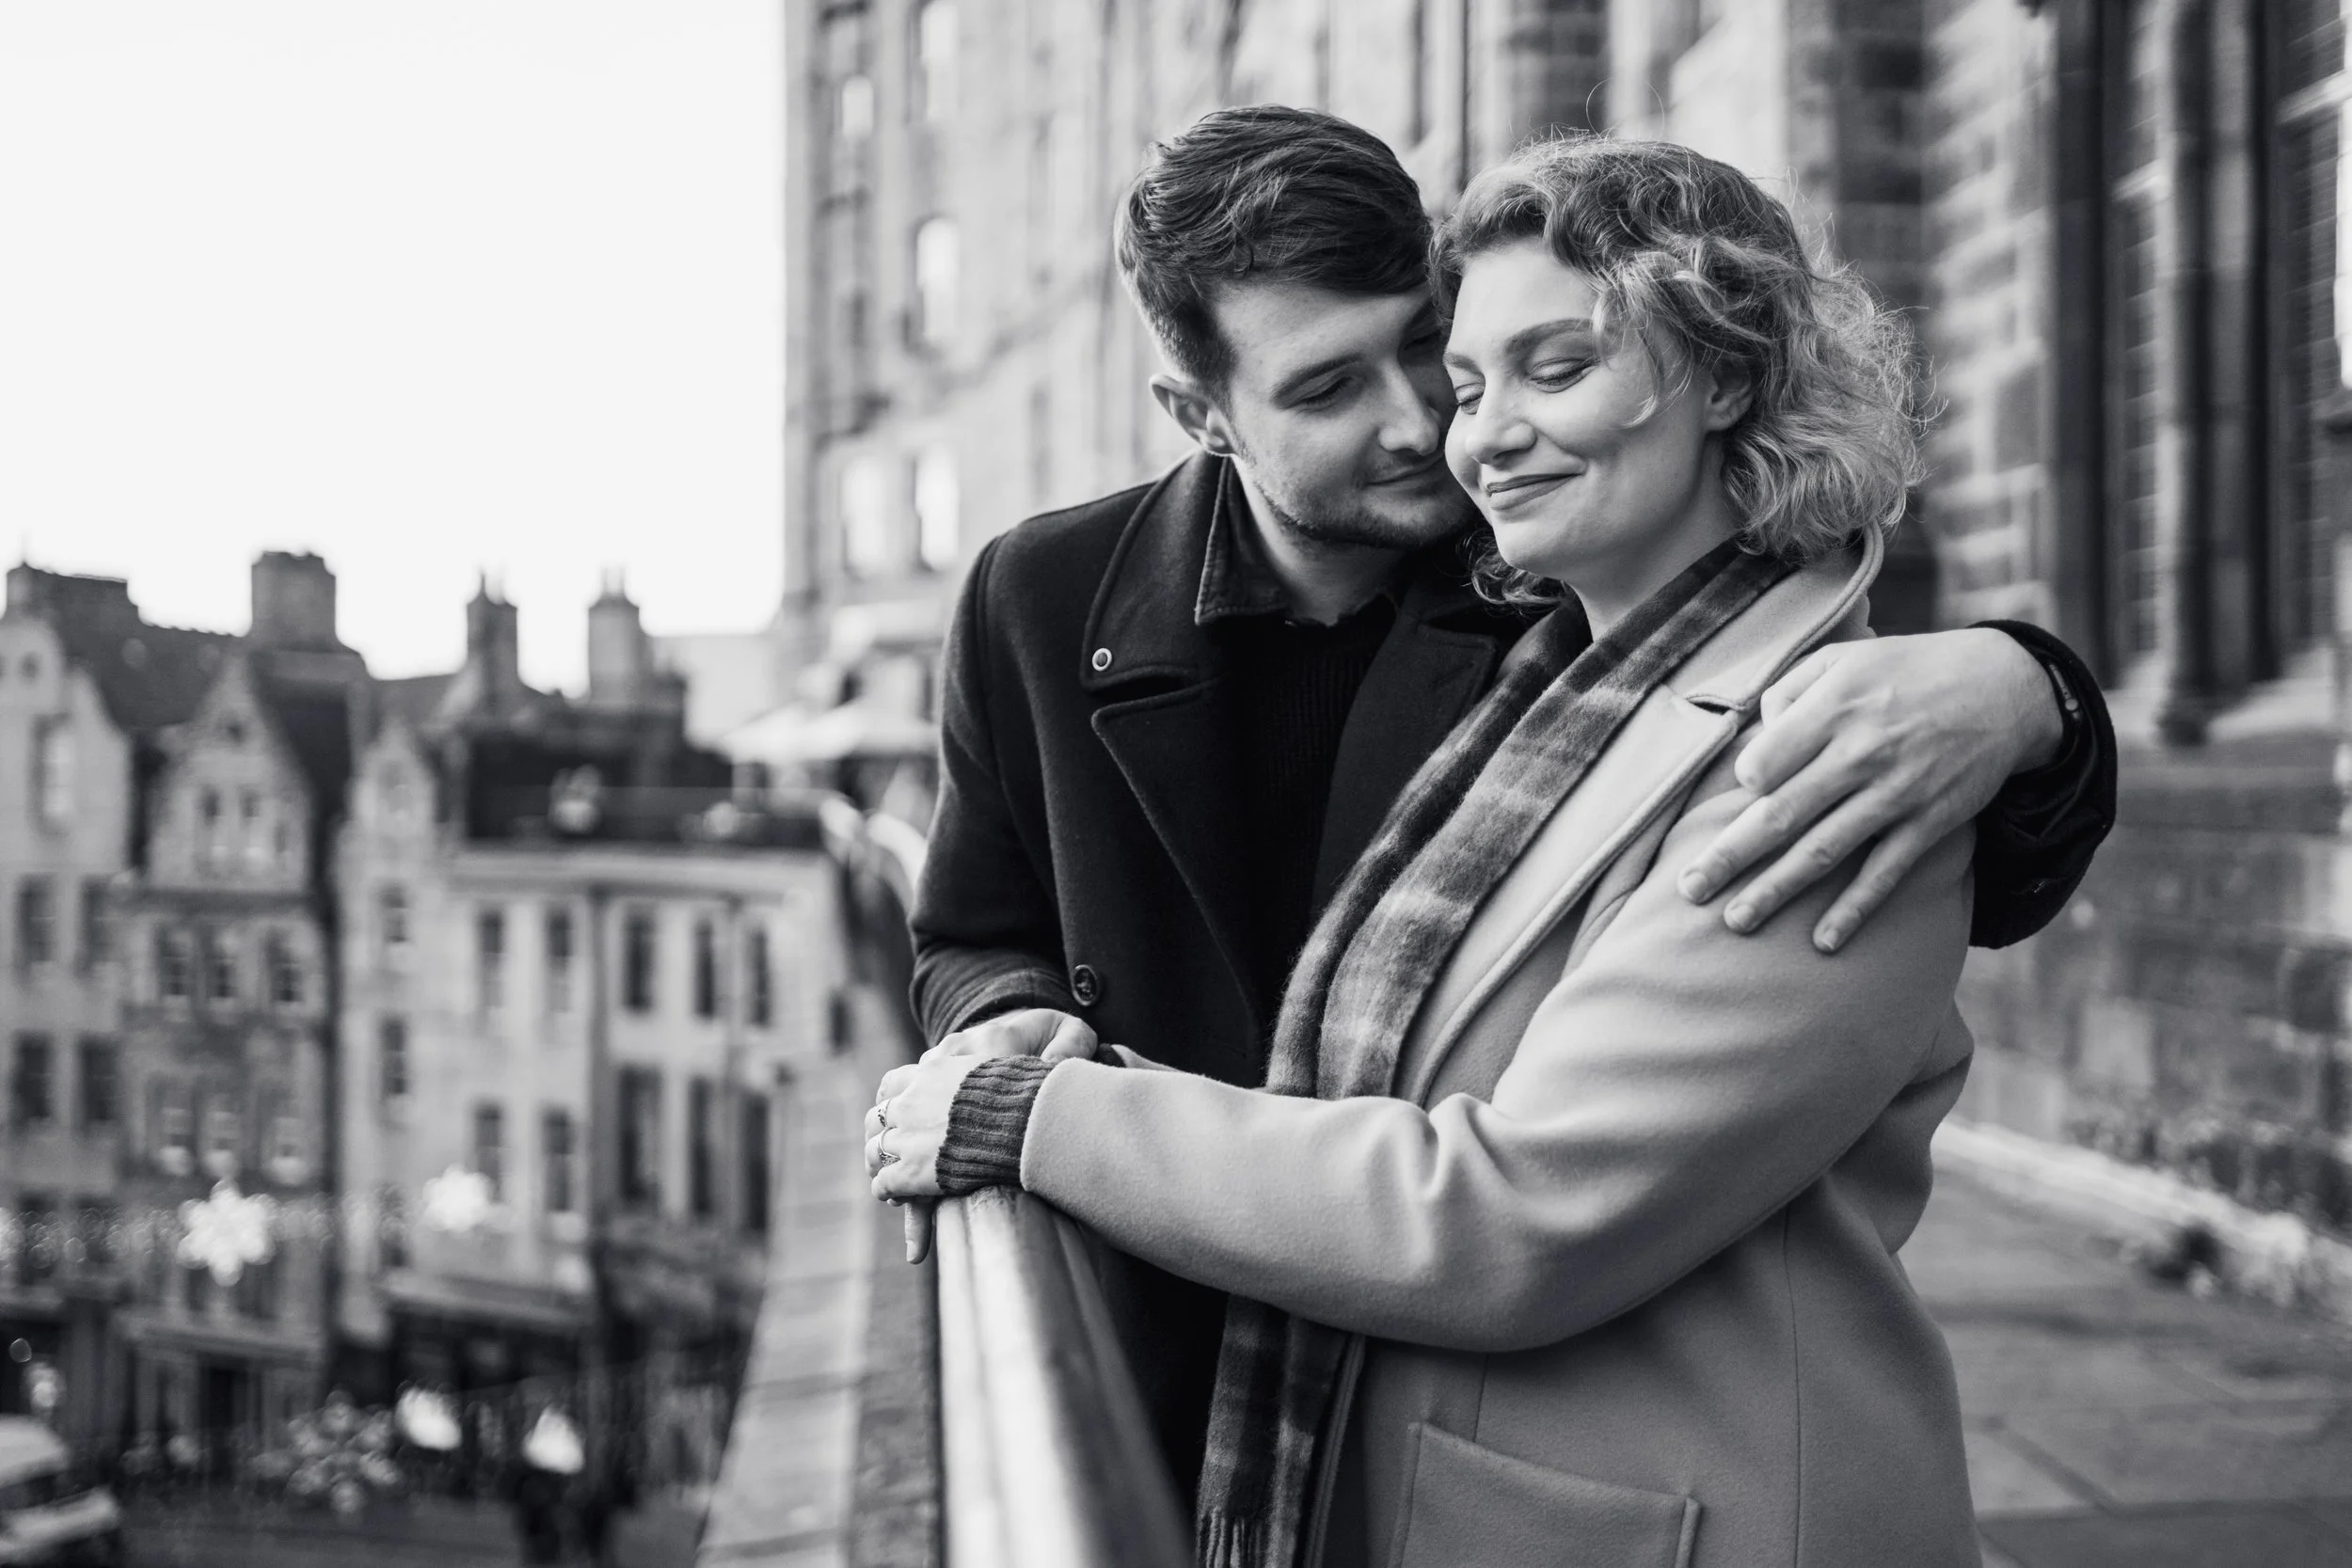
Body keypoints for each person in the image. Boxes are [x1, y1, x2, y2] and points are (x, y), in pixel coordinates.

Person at [903, 106, 2113, 1502]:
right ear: (1199, 413)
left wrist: (2031, 691)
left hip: (1489, 1385)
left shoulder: (1554, 560)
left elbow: (1832, 716)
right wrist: (1009, 1029)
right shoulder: (1040, 595)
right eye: (1328, 388)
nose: (1431, 426)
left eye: (1432, 347)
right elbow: (968, 928)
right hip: (1195, 1344)